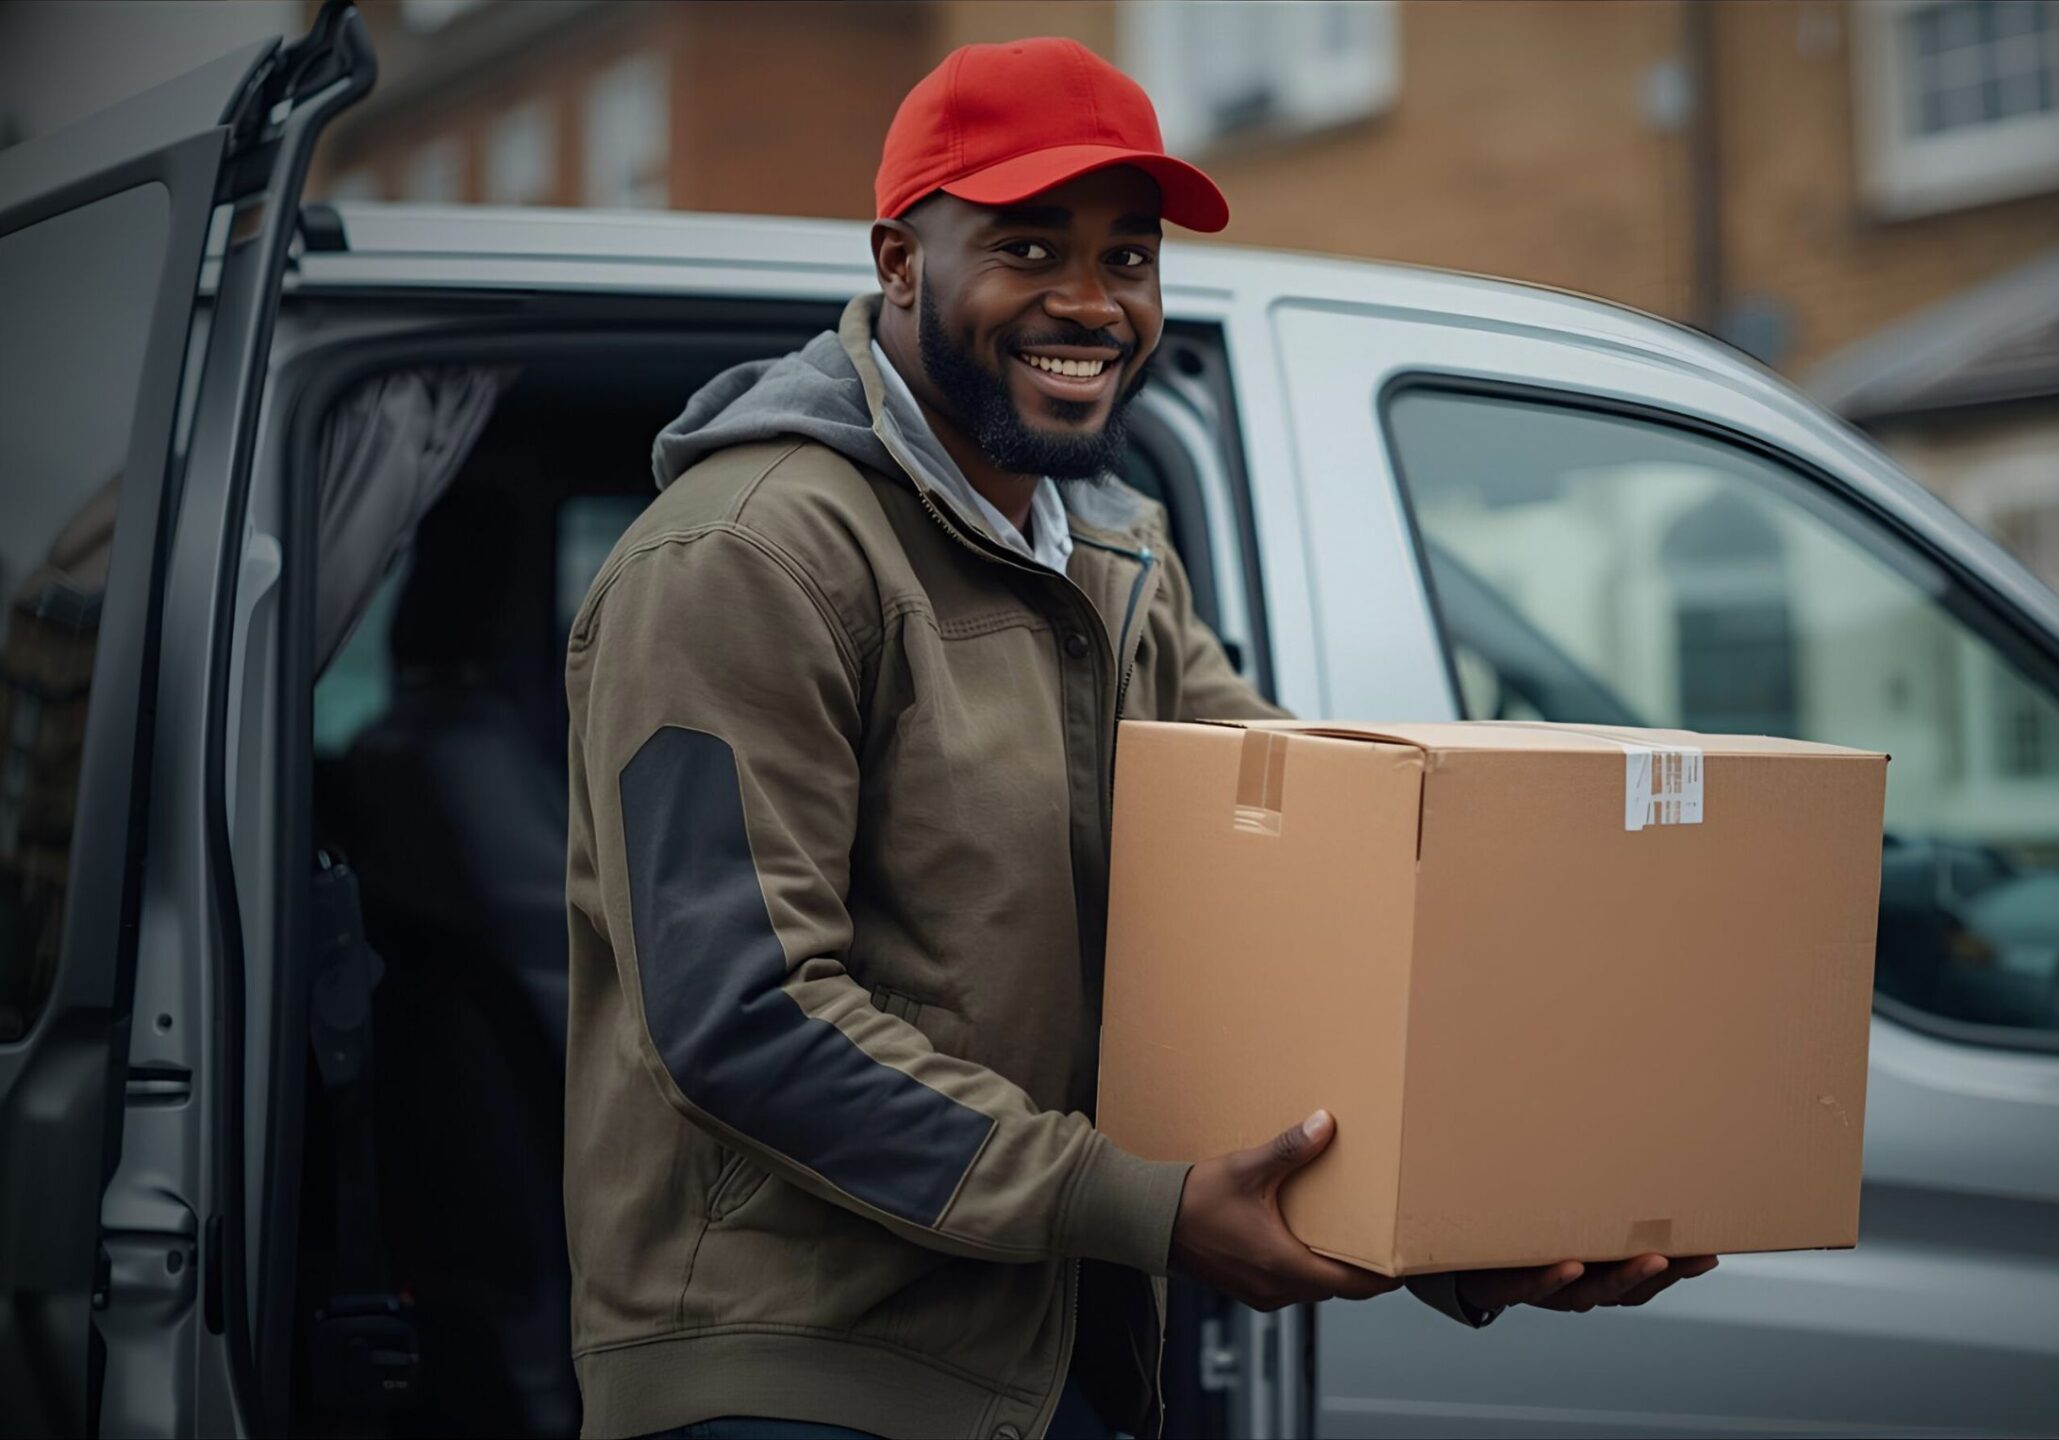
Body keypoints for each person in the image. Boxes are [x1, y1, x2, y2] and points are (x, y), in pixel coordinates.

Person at [562, 37, 1716, 1440]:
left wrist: (1475, 1224)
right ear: (902, 261)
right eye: (1030, 246)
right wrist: (1139, 1206)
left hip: (1062, 1360)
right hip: (795, 1380)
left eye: (1130, 257)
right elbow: (739, 1015)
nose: (1091, 303)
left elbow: (1310, 897)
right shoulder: (745, 559)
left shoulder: (1115, 554)